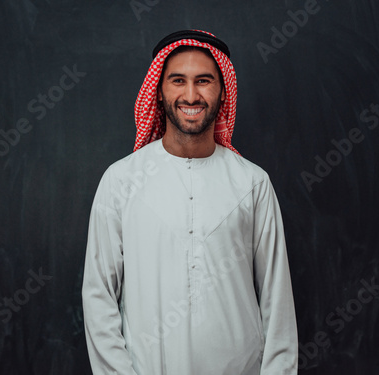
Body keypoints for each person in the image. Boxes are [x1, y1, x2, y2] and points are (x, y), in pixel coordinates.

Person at [82, 29, 298, 375]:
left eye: (204, 81)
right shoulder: (121, 181)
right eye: (178, 80)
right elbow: (99, 297)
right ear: (160, 90)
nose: (191, 94)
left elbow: (277, 301)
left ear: (222, 91)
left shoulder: (252, 183)